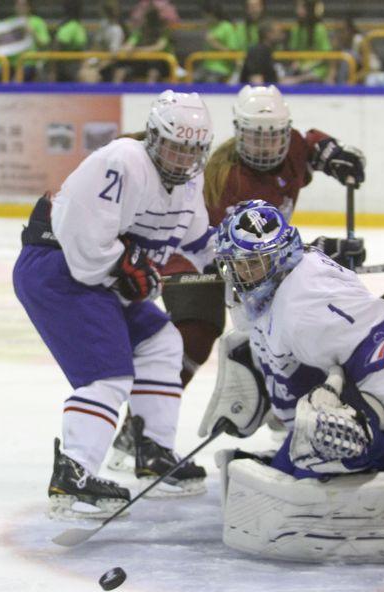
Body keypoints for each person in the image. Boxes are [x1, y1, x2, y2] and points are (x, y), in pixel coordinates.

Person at [109, 85, 366, 468]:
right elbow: (248, 246)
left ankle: (285, 408)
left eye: (273, 137)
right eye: (255, 138)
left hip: (252, 262)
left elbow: (310, 144)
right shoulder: (228, 179)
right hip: (195, 257)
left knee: (285, 328)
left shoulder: (291, 147)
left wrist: (332, 153)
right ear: (238, 132)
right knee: (195, 335)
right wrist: (320, 249)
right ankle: (138, 431)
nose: (265, 148)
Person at [13, 91, 216, 520]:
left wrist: (254, 260)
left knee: (162, 342)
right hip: (58, 269)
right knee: (109, 374)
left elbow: (200, 245)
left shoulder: (190, 184)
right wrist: (128, 265)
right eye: (175, 147)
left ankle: (151, 450)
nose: (182, 159)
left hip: (99, 278)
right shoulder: (122, 161)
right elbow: (84, 248)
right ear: (155, 138)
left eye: (192, 150)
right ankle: (75, 474)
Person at [205, 201, 384, 562]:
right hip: (368, 404)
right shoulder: (280, 288)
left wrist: (367, 418)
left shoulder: (304, 307)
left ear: (281, 257)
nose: (244, 273)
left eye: (254, 263)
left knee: (297, 475)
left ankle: (378, 465)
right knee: (270, 477)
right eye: (238, 264)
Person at [287, 0, 333, 83]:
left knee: (312, 75)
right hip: (300, 68)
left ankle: (295, 80)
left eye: (302, 8)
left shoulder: (320, 29)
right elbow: (293, 51)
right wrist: (295, 62)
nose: (298, 11)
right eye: (297, 7)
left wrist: (310, 65)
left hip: (318, 68)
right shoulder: (295, 29)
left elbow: (326, 54)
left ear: (309, 9)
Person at [194, 1, 239, 84]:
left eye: (206, 15)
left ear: (212, 14)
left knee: (210, 82)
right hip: (206, 66)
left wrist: (215, 44)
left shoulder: (227, 27)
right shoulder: (209, 27)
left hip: (221, 68)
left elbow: (233, 52)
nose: (205, 17)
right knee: (195, 79)